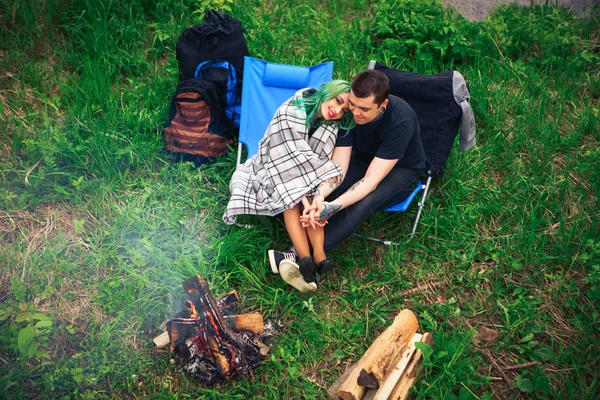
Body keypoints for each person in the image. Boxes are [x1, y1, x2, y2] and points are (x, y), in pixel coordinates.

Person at [223, 80, 355, 292]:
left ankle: (320, 258)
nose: (337, 111)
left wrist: (313, 197)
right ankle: (305, 258)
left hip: (309, 169)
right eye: (338, 101)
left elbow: (323, 163)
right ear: (329, 91)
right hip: (273, 164)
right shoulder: (295, 107)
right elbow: (283, 151)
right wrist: (302, 194)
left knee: (312, 200)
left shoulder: (334, 125)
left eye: (343, 110)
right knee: (291, 199)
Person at [300, 69, 426, 258]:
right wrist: (320, 195)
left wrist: (332, 206)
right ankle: (302, 239)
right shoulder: (349, 110)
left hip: (401, 169)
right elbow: (338, 168)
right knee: (322, 189)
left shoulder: (401, 120)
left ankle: (301, 254)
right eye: (353, 104)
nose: (356, 114)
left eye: (365, 109)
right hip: (362, 158)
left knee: (363, 203)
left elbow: (370, 181)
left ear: (382, 104)